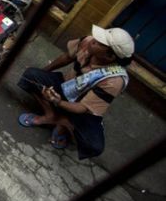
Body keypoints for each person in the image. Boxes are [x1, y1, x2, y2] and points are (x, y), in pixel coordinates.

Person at [17, 25, 134, 159]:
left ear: (110, 56)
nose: (94, 40)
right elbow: (66, 57)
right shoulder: (87, 42)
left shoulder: (114, 80)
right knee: (30, 76)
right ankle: (51, 116)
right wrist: (43, 73)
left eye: (99, 43)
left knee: (93, 146)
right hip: (65, 86)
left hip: (82, 107)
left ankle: (64, 121)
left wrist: (57, 101)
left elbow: (83, 108)